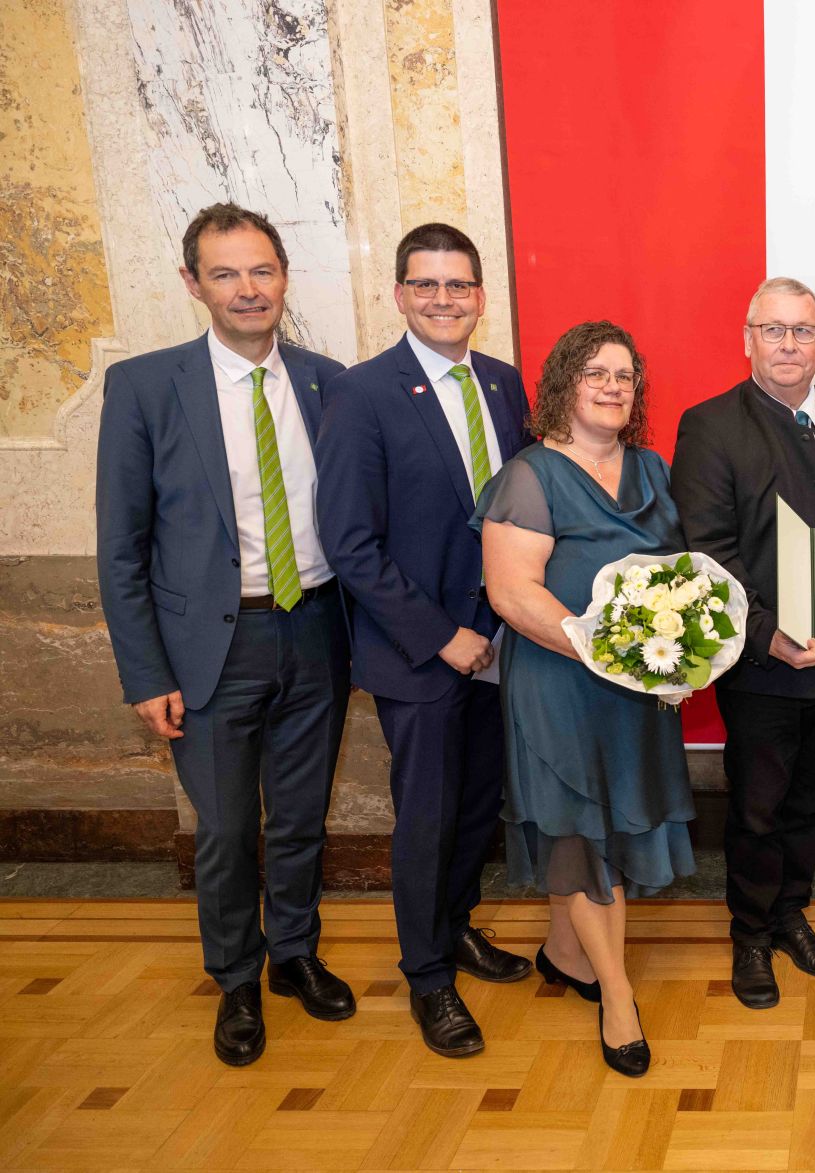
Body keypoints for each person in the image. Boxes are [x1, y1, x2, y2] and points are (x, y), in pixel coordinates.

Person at [96, 203, 353, 1065]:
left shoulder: (326, 381)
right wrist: (144, 672)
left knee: (300, 821)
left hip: (316, 629)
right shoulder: (145, 386)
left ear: (284, 276)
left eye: (262, 271)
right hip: (211, 648)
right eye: (226, 273)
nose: (248, 289)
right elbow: (121, 545)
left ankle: (295, 955)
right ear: (193, 283)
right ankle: (236, 978)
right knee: (225, 827)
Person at [316, 223, 534, 1059]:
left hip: (501, 639)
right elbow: (350, 540)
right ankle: (427, 975)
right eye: (427, 285)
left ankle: (459, 927)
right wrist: (442, 636)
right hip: (422, 652)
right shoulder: (363, 392)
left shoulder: (507, 386)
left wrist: (501, 622)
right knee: (428, 815)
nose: (445, 299)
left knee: (478, 804)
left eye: (460, 285)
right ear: (400, 294)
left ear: (481, 295)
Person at [671, 278, 815, 1009]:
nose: (789, 345)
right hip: (764, 659)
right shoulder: (709, 423)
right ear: (747, 339)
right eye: (774, 330)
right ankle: (750, 933)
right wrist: (770, 635)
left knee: (814, 795)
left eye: (803, 331)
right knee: (758, 805)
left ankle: (790, 912)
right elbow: (707, 551)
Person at [474, 320, 693, 1078]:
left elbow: (684, 578)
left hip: (634, 693)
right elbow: (509, 593)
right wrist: (607, 648)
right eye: (594, 372)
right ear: (563, 384)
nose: (610, 386)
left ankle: (564, 956)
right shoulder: (530, 475)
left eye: (624, 376)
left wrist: (685, 649)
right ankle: (619, 996)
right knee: (579, 824)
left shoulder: (655, 471)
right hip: (559, 681)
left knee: (610, 824)